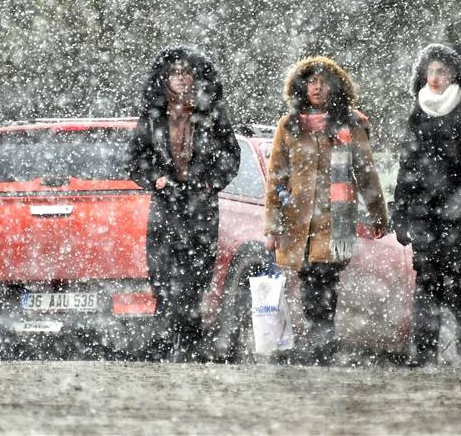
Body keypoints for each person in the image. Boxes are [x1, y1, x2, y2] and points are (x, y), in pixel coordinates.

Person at [264, 56, 388, 365]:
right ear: (301, 87)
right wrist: (272, 226)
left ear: (336, 87)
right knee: (309, 280)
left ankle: (322, 338)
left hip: (336, 219)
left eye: (323, 82)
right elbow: (277, 175)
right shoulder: (289, 125)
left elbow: (366, 172)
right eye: (312, 81)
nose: (317, 88)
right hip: (299, 221)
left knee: (325, 278)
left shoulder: (350, 124)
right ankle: (319, 340)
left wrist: (378, 216)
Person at [127, 46, 241, 362]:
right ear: (165, 78)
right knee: (163, 278)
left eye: (186, 72)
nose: (180, 78)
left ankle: (190, 344)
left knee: (196, 279)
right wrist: (158, 179)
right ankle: (164, 342)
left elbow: (230, 157)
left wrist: (207, 182)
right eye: (175, 72)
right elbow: (135, 160)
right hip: (165, 206)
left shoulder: (212, 114)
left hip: (200, 207)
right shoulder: (152, 117)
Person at [391, 43, 461, 368]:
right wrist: (402, 212)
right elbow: (407, 169)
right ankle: (423, 360)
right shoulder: (417, 114)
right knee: (427, 291)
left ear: (454, 74)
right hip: (427, 221)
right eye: (430, 70)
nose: (435, 77)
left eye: (441, 71)